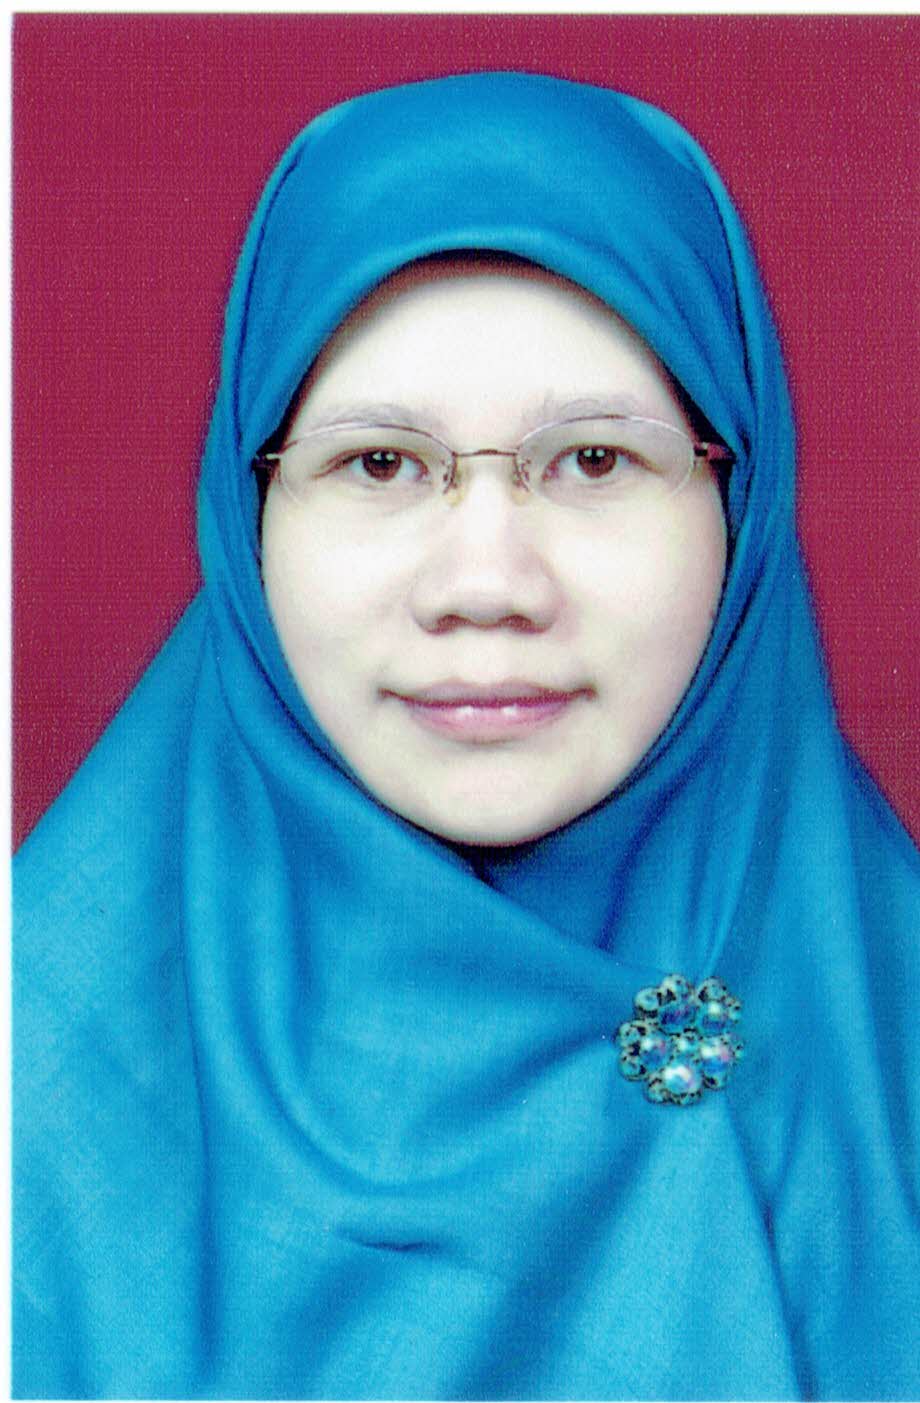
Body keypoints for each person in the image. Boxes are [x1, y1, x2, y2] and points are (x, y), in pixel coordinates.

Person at [13, 71, 919, 1401]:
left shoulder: (894, 1028)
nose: (487, 585)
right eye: (378, 464)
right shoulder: (35, 1068)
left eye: (595, 461)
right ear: (247, 515)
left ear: (745, 505)